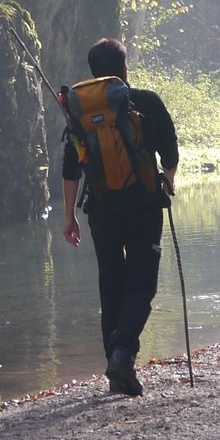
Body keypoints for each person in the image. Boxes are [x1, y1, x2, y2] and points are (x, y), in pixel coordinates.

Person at [60, 37, 178, 397]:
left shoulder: (80, 114)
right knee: (142, 283)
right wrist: (167, 183)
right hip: (142, 205)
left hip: (101, 211)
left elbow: (71, 170)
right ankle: (124, 352)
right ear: (124, 69)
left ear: (94, 71)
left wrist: (69, 218)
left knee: (110, 284)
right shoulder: (144, 101)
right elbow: (170, 151)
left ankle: (115, 366)